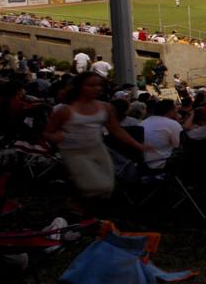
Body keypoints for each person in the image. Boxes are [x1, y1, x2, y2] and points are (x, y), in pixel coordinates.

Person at [43, 73, 156, 212]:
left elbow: (117, 130)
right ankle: (75, 203)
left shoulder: (105, 108)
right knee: (95, 185)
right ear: (79, 87)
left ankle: (86, 212)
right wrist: (58, 137)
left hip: (97, 148)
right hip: (74, 151)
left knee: (107, 186)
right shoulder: (65, 110)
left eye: (99, 85)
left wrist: (138, 145)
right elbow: (47, 132)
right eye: (91, 85)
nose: (96, 88)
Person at [140, 99, 184, 170]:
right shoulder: (172, 124)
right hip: (162, 163)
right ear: (171, 111)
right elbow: (179, 145)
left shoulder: (143, 122)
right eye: (175, 109)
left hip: (144, 162)